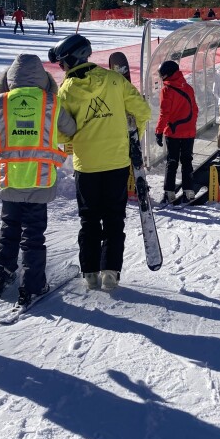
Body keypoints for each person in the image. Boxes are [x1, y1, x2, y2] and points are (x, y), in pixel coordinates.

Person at [47, 34, 151, 291]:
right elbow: (143, 111)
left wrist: (76, 135)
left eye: (62, 63)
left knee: (89, 220)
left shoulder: (66, 90)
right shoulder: (115, 80)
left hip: (87, 166)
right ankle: (110, 272)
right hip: (116, 162)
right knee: (115, 218)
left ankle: (90, 272)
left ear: (71, 59)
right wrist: (132, 136)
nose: (61, 68)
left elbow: (61, 133)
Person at [0, 53, 77, 306]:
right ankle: (32, 285)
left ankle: (3, 273)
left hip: (10, 177)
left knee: (9, 228)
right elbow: (70, 130)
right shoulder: (50, 103)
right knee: (34, 234)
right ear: (43, 78)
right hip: (40, 178)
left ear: (9, 78)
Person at [154, 60, 199, 204]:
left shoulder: (167, 90)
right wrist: (191, 126)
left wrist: (159, 131)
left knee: (172, 162)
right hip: (188, 132)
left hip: (173, 132)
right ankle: (189, 192)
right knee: (187, 161)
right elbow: (195, 109)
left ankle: (169, 193)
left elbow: (164, 114)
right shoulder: (188, 88)